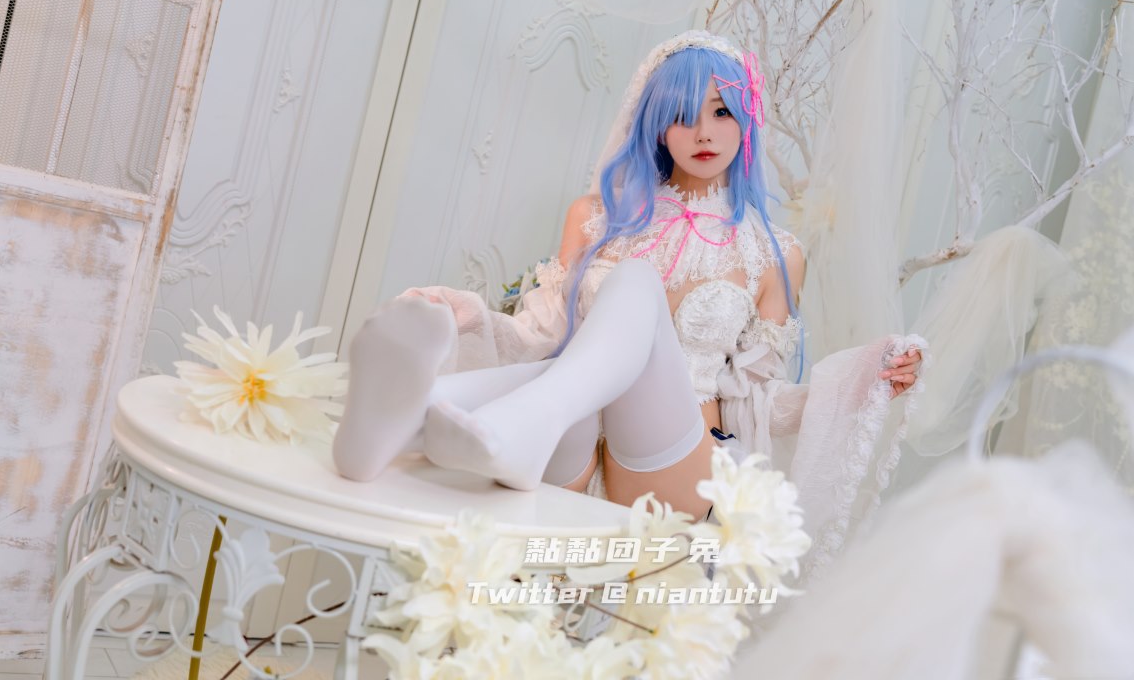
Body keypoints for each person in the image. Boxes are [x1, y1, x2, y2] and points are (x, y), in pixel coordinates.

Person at [333, 31, 924, 574]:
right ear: (656, 126)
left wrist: (865, 378)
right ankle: (405, 423)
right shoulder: (596, 218)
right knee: (574, 356)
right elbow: (541, 337)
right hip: (574, 452)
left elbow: (761, 406)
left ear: (747, 119)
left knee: (634, 282)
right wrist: (469, 319)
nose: (703, 133)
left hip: (672, 468)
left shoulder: (775, 253)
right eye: (682, 115)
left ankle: (433, 408)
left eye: (721, 112)